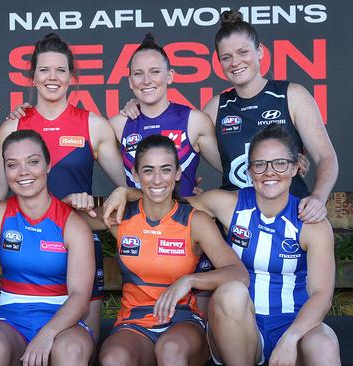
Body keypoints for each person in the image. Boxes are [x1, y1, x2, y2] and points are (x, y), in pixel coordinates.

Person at [103, 124, 340, 365]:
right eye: (260, 164)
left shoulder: (310, 222)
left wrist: (292, 338)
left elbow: (322, 295)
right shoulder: (228, 204)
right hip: (240, 325)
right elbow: (166, 198)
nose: (270, 172)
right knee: (232, 291)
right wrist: (126, 192)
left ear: (296, 168)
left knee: (325, 344)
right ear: (249, 171)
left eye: (280, 163)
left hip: (294, 324)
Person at [0, 32, 127, 342]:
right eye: (44, 70)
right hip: (28, 249)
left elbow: (129, 186)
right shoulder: (13, 126)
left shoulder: (93, 124)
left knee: (80, 349)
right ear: (32, 77)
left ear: (71, 77)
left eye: (61, 70)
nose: (53, 77)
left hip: (79, 246)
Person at [69, 134, 246, 366]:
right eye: (148, 170)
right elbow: (64, 219)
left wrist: (190, 280)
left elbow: (238, 273)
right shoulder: (121, 216)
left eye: (165, 169)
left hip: (183, 321)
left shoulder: (195, 221)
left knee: (171, 351)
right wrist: (70, 200)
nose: (157, 179)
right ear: (135, 175)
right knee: (113, 359)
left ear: (178, 173)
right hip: (134, 322)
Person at [0, 129, 95, 366]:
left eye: (33, 162)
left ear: (48, 165)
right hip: (11, 317)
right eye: (13, 165)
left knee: (71, 351)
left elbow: (80, 297)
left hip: (63, 318)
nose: (23, 172)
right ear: (5, 171)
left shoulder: (72, 223)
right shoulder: (0, 212)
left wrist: (46, 334)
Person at [204, 10, 338, 223]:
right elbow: (179, 142)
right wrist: (139, 105)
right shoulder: (215, 107)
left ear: (260, 52)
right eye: (226, 57)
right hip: (238, 220)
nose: (235, 62)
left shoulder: (292, 94)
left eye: (243, 52)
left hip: (292, 214)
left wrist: (318, 198)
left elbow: (326, 157)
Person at [109, 33, 222, 196]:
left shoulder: (194, 121)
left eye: (154, 72)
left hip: (184, 218)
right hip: (136, 219)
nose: (146, 80)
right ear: (130, 81)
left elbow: (233, 172)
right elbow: (127, 186)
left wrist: (198, 200)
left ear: (169, 76)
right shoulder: (117, 125)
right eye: (138, 73)